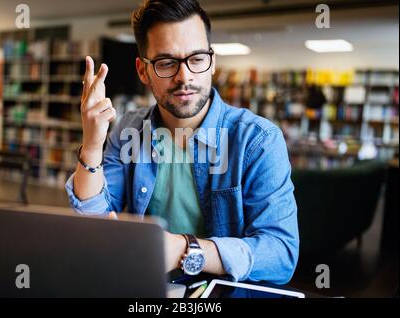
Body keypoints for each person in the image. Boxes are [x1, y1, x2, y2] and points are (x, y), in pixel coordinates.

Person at [65, 0, 299, 284]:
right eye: (166, 63)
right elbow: (95, 216)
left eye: (197, 59)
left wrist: (184, 249)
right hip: (147, 286)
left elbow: (281, 254)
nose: (185, 77)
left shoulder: (258, 140)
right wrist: (91, 143)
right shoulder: (130, 128)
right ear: (143, 71)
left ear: (212, 62)